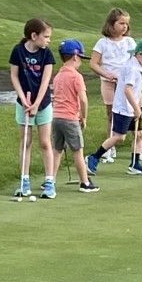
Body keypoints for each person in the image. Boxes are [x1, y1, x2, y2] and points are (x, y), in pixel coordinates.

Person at [86, 37, 142, 177]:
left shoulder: (139, 66)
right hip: (123, 108)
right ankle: (93, 157)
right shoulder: (132, 68)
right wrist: (136, 108)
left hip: (132, 107)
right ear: (140, 54)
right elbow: (128, 90)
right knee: (119, 137)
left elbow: (137, 90)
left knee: (139, 134)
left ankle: (135, 164)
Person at [9, 18, 55, 199]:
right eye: (46, 36)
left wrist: (36, 104)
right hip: (23, 103)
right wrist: (23, 99)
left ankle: (49, 181)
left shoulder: (47, 54)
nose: (49, 40)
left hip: (42, 104)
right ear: (34, 35)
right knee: (26, 141)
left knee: (45, 142)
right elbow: (14, 76)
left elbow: (46, 81)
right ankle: (24, 180)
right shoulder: (18, 51)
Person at [50, 38, 99, 193]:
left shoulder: (57, 76)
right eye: (81, 59)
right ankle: (84, 182)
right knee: (77, 150)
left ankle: (50, 180)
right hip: (71, 118)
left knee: (57, 150)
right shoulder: (76, 76)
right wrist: (84, 117)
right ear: (75, 57)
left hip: (56, 117)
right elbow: (83, 100)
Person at [90, 8, 135, 163]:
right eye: (121, 23)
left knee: (132, 111)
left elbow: (135, 61)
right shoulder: (103, 43)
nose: (124, 27)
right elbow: (94, 63)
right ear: (111, 24)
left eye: (126, 24)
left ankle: (138, 145)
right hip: (108, 81)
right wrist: (106, 74)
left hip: (126, 83)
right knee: (111, 113)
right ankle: (110, 145)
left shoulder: (129, 42)